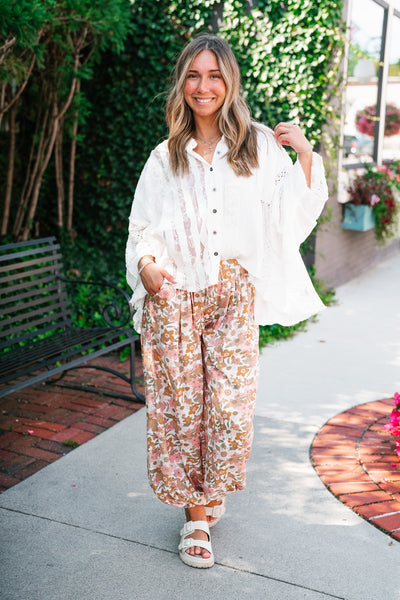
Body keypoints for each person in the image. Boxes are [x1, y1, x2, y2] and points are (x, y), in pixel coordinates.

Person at [125, 34, 328, 569]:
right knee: (180, 410)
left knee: (229, 408)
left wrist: (305, 154)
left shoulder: (258, 146)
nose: (203, 86)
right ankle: (194, 519)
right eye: (193, 75)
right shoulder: (163, 157)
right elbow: (142, 227)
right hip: (174, 298)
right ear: (182, 84)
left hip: (234, 295)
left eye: (213, 75)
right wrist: (146, 267)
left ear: (229, 80)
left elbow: (291, 217)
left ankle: (209, 488)